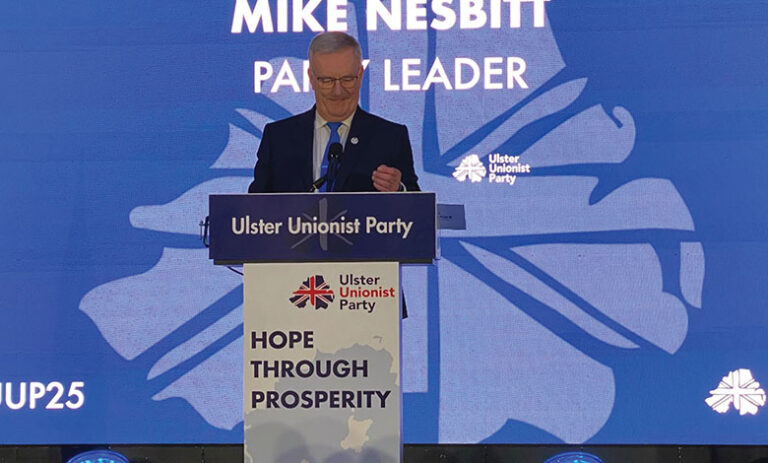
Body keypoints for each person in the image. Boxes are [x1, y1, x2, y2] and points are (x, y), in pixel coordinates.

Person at [247, 31, 419, 194]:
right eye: (327, 80)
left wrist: (399, 190)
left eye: (347, 79)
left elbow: (417, 206)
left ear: (360, 75)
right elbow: (254, 205)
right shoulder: (278, 137)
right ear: (311, 77)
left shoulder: (390, 137)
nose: (338, 91)